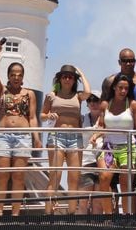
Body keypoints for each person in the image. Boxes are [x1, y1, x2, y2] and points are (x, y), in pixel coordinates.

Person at [0, 41, 41, 216]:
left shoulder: (29, 94)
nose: (16, 77)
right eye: (13, 74)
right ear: (9, 76)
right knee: (2, 174)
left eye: (19, 74)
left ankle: (15, 213)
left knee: (18, 176)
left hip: (23, 135)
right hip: (3, 135)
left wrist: (37, 137)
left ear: (23, 76)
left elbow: (33, 117)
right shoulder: (2, 91)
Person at [41, 64, 91, 215]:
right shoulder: (51, 96)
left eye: (71, 77)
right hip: (57, 136)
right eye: (65, 76)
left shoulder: (78, 96)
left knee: (74, 179)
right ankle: (48, 214)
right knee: (55, 177)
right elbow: (42, 115)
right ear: (60, 79)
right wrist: (49, 115)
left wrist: (80, 72)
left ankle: (71, 214)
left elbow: (88, 92)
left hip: (75, 137)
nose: (68, 79)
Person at [96, 74, 136, 214]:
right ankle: (109, 215)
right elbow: (101, 125)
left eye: (126, 88)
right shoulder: (106, 104)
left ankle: (127, 216)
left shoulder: (133, 105)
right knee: (104, 178)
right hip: (108, 147)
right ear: (114, 88)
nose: (123, 91)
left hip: (128, 147)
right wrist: (96, 135)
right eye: (120, 88)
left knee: (125, 184)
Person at [78, 93, 103, 214]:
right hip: (86, 160)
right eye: (89, 100)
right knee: (83, 199)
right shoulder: (82, 119)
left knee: (98, 200)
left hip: (102, 159)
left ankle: (98, 226)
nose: (92, 103)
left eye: (96, 100)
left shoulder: (106, 119)